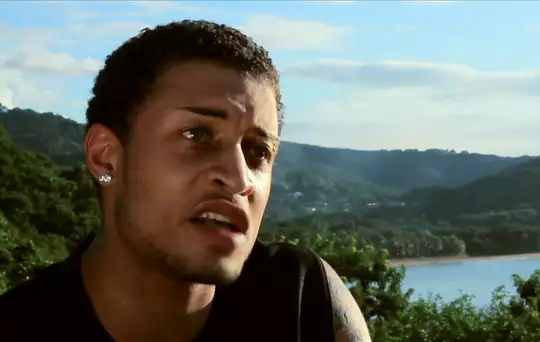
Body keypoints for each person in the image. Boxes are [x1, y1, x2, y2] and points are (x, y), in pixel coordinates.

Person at [0, 20, 371, 342]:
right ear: (105, 155)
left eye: (258, 151)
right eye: (196, 135)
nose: (239, 177)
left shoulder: (301, 300)